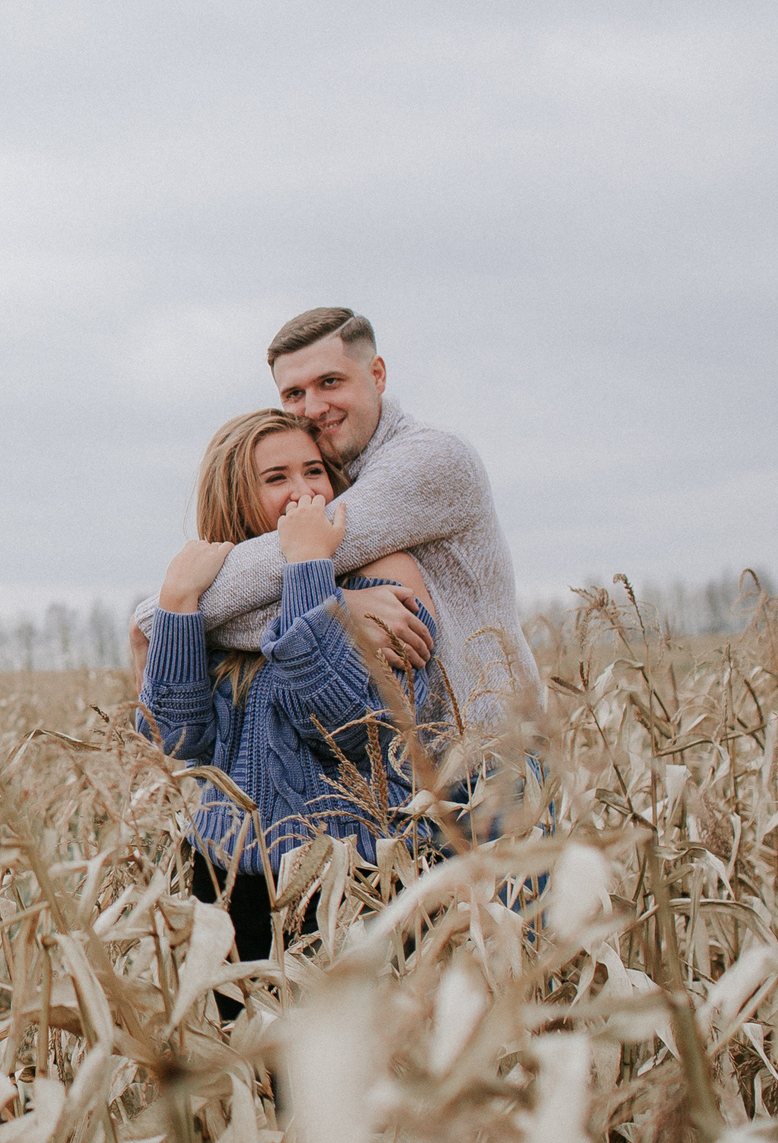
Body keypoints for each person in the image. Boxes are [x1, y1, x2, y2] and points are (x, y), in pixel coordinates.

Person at [135, 307, 539, 735]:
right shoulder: (339, 475)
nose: (313, 407)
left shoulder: (429, 460)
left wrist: (164, 614)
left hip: (492, 762)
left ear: (377, 375)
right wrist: (343, 612)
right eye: (293, 393)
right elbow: (175, 738)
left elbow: (295, 551)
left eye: (330, 382)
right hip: (416, 778)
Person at [137, 409, 443, 969]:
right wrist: (178, 605)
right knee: (249, 1056)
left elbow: (354, 731)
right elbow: (176, 742)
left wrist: (309, 569)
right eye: (276, 478)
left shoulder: (385, 572)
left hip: (354, 883)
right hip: (228, 886)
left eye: (315, 471)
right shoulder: (223, 597)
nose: (303, 493)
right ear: (234, 495)